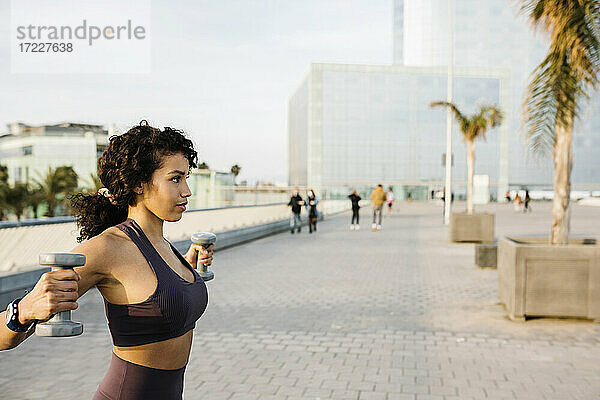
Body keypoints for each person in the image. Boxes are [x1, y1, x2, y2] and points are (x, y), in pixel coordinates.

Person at [0, 122, 215, 400]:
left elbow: (157, 292)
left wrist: (187, 268)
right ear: (139, 183)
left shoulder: (164, 246)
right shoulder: (107, 248)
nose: (187, 191)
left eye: (187, 178)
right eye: (175, 179)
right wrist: (25, 309)